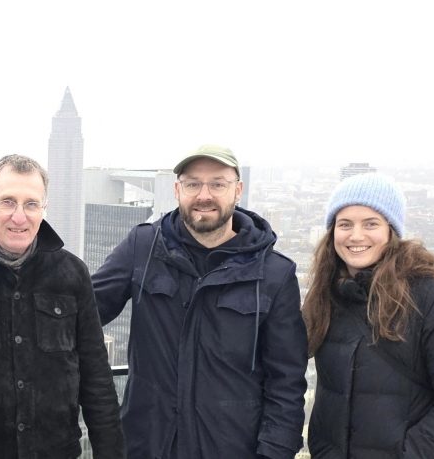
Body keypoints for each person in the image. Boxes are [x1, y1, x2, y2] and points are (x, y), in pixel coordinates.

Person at [92, 144, 308, 458]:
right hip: (147, 447)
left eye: (218, 184)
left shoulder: (274, 274)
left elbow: (286, 383)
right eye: (193, 184)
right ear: (177, 190)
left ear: (238, 190)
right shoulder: (143, 247)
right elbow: (83, 310)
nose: (204, 195)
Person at [0, 154, 125, 459]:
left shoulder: (72, 274)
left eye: (31, 204)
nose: (19, 217)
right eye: (8, 202)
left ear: (44, 209)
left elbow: (96, 377)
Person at [303, 173, 434, 457]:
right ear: (332, 232)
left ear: (392, 231)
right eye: (345, 224)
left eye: (371, 223)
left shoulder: (431, 296)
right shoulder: (326, 295)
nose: (356, 235)